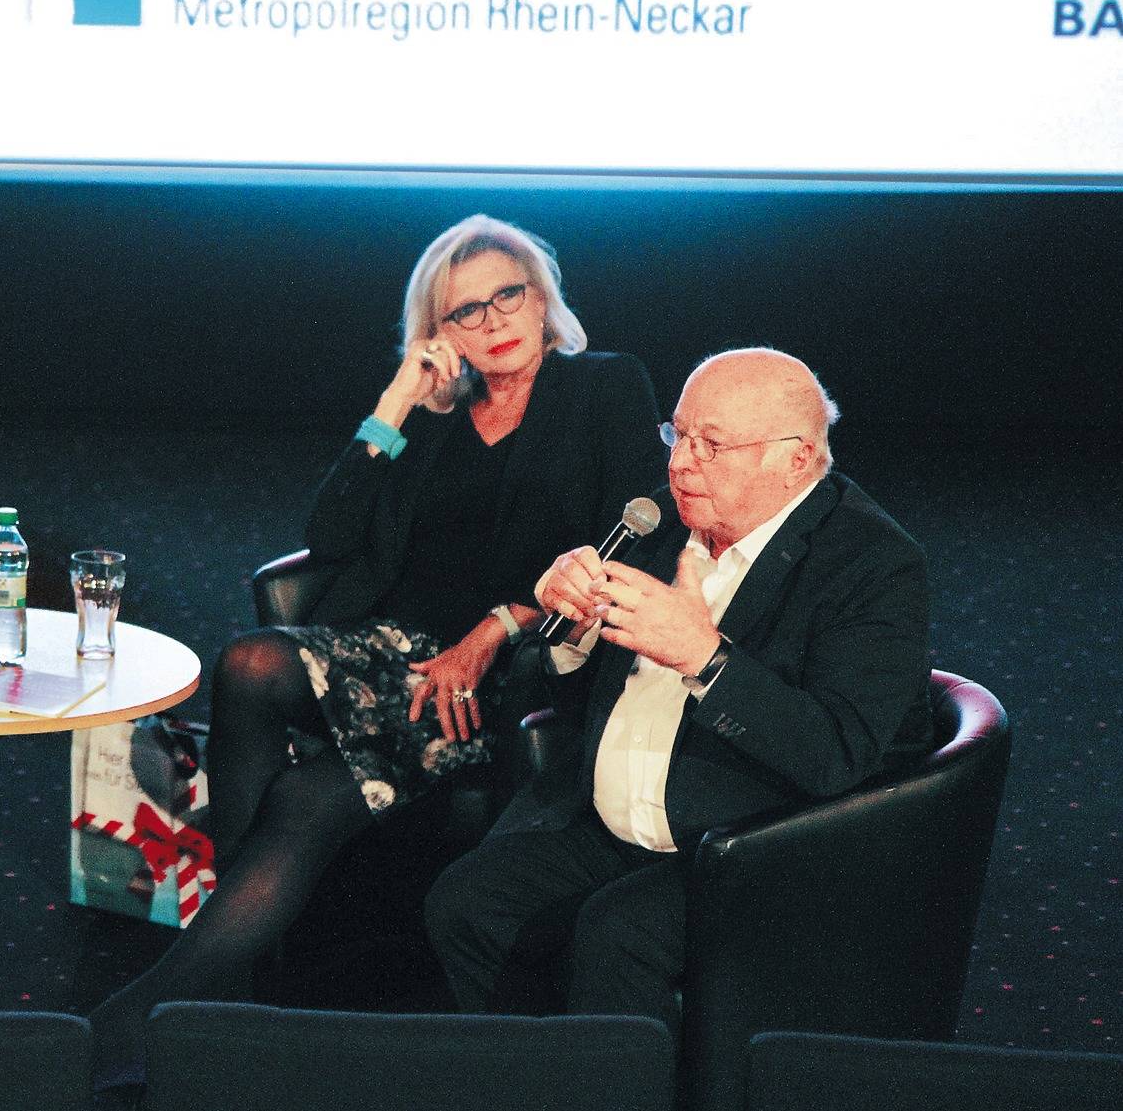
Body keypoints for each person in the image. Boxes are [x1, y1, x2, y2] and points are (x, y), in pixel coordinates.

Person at [90, 214, 665, 1086]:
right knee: (248, 665)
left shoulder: (603, 388)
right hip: (386, 648)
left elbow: (626, 546)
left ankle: (166, 1007)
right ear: (440, 332)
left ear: (542, 297)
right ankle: (225, 983)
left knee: (310, 797)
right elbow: (329, 534)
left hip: (509, 667)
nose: (493, 320)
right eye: (464, 311)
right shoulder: (436, 414)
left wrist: (498, 625)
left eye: (508, 294)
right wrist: (397, 398)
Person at [423, 347, 932, 1038]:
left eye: (710, 443)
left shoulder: (871, 563)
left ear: (794, 458)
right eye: (677, 434)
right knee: (466, 900)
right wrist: (570, 634)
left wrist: (703, 655)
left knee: (617, 935)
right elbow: (563, 701)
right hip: (610, 822)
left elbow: (836, 752)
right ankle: (535, 1078)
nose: (680, 462)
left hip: (746, 843)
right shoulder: (658, 521)